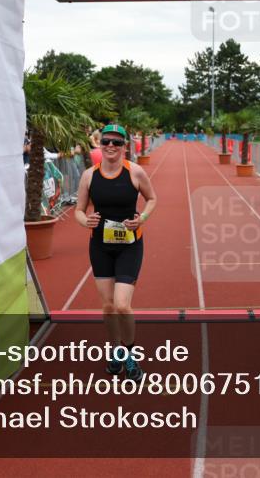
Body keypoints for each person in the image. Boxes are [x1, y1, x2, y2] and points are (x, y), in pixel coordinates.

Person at [74, 124, 157, 381]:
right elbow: (79, 210)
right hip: (100, 247)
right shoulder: (89, 176)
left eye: (117, 142)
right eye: (106, 141)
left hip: (129, 246)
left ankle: (130, 355)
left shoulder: (135, 172)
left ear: (124, 146)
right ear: (100, 144)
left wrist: (142, 218)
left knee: (122, 305)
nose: (111, 146)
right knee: (109, 306)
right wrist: (85, 221)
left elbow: (152, 199)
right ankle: (116, 352)